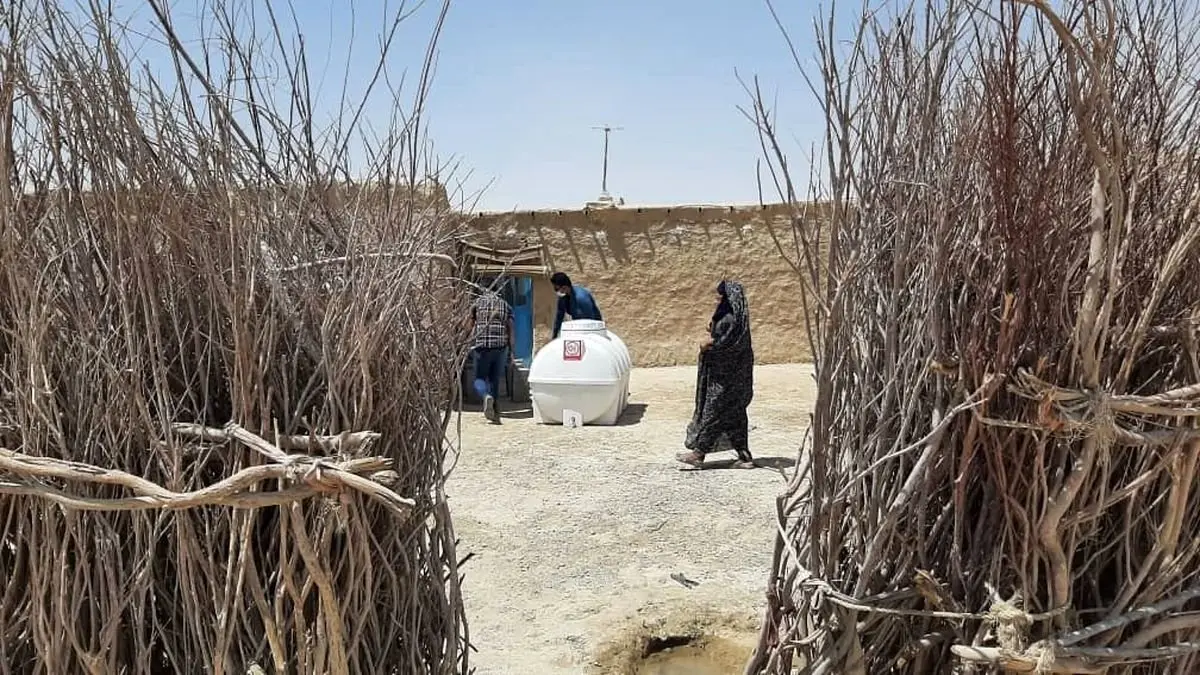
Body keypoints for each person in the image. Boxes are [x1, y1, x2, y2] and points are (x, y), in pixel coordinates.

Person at [677, 280, 755, 469]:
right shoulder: (738, 321)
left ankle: (698, 453)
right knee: (735, 416)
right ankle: (745, 457)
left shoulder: (728, 319)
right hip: (738, 377)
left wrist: (708, 345)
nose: (717, 300)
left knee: (713, 413)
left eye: (720, 297)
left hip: (724, 378)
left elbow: (724, 347)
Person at [470, 287, 513, 424]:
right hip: (500, 347)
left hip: (481, 347)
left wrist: (468, 342)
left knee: (479, 379)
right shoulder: (505, 305)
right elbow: (510, 328)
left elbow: (470, 325)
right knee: (494, 380)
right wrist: (512, 349)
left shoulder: (477, 304)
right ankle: (495, 412)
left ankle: (486, 396)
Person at [550, 271, 603, 339]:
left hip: (592, 330)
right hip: (579, 328)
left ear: (564, 287)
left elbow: (590, 321)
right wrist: (554, 335)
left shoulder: (581, 298)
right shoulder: (564, 298)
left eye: (556, 289)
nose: (556, 291)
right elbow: (559, 317)